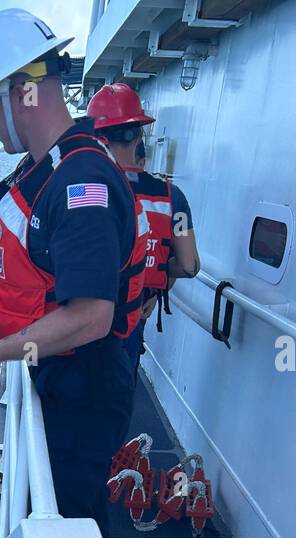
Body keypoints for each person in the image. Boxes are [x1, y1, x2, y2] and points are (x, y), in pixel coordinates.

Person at [0, 8, 146, 538]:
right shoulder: (43, 168)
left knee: (67, 528)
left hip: (82, 391)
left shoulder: (84, 183)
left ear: (23, 91)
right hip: (50, 373)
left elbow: (90, 317)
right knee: (43, 507)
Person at [87, 83, 200, 408]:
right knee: (117, 400)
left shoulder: (85, 191)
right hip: (134, 318)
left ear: (98, 139)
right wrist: (157, 277)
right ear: (139, 138)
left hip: (80, 322)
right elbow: (190, 265)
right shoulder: (171, 197)